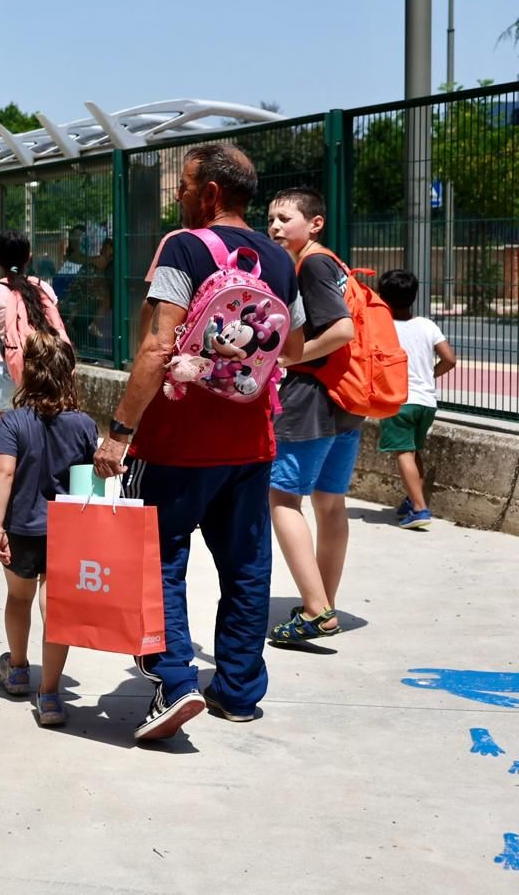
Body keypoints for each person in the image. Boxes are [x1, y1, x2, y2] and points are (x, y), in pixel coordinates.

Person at [93, 143, 304, 738]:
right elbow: (288, 348)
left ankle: (175, 683)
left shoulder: (182, 248)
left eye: (184, 186)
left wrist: (120, 432)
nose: (179, 196)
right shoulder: (280, 258)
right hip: (252, 441)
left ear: (210, 192)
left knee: (158, 562)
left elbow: (158, 346)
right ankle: (237, 691)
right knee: (246, 567)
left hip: (177, 442)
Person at [265, 188, 366, 645]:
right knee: (330, 502)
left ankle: (316, 608)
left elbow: (341, 329)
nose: (275, 227)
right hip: (347, 400)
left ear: (316, 223)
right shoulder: (336, 264)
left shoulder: (313, 264)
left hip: (313, 401)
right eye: (270, 219)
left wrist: (290, 358)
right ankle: (322, 601)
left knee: (282, 499)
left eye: (285, 217)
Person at [0, 333, 98, 729]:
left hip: (21, 527)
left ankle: (17, 669)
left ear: (27, 374)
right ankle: (49, 695)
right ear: (70, 374)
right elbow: (90, 478)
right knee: (57, 611)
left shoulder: (14, 421)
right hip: (67, 531)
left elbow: (4, 471)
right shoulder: (83, 424)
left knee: (19, 598)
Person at [375, 269, 455, 529]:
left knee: (403, 453)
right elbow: (450, 359)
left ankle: (420, 509)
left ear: (382, 299)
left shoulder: (382, 328)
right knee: (413, 451)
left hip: (399, 400)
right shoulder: (426, 325)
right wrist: (430, 375)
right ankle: (413, 499)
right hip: (426, 402)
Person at [0, 231, 69, 425]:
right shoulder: (44, 288)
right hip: (47, 368)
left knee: (13, 439)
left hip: (9, 369)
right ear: (28, 257)